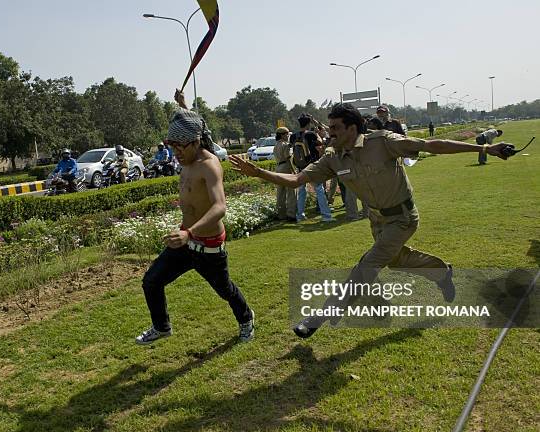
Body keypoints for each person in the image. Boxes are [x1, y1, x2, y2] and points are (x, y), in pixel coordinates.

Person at [230, 103, 511, 339]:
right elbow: (295, 180)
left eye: (336, 128)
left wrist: (486, 149)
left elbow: (430, 145)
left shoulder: (383, 142)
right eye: (329, 127)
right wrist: (258, 173)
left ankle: (322, 315)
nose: (330, 133)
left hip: (403, 217)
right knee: (396, 260)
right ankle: (441, 271)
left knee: (367, 265)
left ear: (352, 128)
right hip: (377, 220)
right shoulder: (332, 159)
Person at [136, 88, 255, 345]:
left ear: (195, 142)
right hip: (185, 241)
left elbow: (220, 206)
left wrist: (189, 232)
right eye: (172, 146)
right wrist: (183, 105)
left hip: (207, 245)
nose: (176, 152)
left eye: (180, 146)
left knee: (225, 290)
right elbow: (198, 125)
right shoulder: (188, 156)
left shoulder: (209, 165)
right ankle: (162, 326)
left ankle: (246, 318)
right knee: (151, 281)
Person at [291, 113, 332, 223]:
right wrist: (317, 134)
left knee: (301, 191)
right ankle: (326, 216)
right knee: (319, 190)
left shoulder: (293, 136)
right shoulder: (311, 135)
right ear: (309, 123)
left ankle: (300, 215)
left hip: (300, 167)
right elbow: (321, 144)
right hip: (312, 166)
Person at [273, 126, 297, 221]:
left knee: (280, 192)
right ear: (282, 135)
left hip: (278, 168)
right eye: (286, 134)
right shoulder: (286, 145)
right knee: (291, 191)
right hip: (286, 167)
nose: (288, 136)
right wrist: (293, 170)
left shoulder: (276, 145)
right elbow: (288, 159)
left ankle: (280, 214)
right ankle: (291, 214)